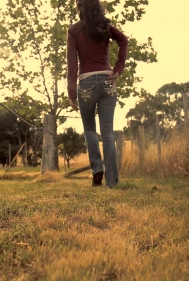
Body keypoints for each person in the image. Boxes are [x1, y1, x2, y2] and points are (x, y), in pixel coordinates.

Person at [66, 0, 128, 187]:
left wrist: (72, 93)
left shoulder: (74, 30)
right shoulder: (106, 27)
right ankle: (113, 182)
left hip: (86, 82)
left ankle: (97, 170)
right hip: (107, 80)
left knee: (90, 129)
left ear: (80, 8)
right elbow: (124, 40)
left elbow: (72, 64)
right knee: (108, 131)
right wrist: (118, 69)